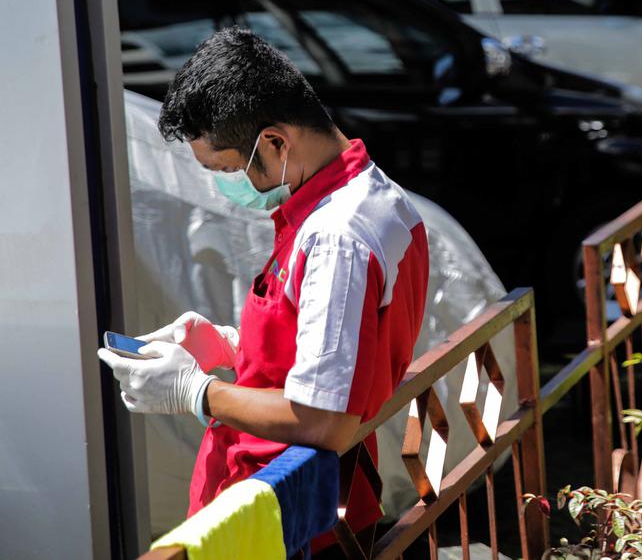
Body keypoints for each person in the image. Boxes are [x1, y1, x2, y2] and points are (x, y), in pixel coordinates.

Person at [98, 28, 429, 555]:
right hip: (293, 502)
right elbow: (341, 347)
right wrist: (230, 345)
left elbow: (324, 420)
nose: (227, 187)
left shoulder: (335, 236)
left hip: (291, 518)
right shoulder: (370, 193)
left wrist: (194, 391)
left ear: (275, 142)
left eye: (227, 169)